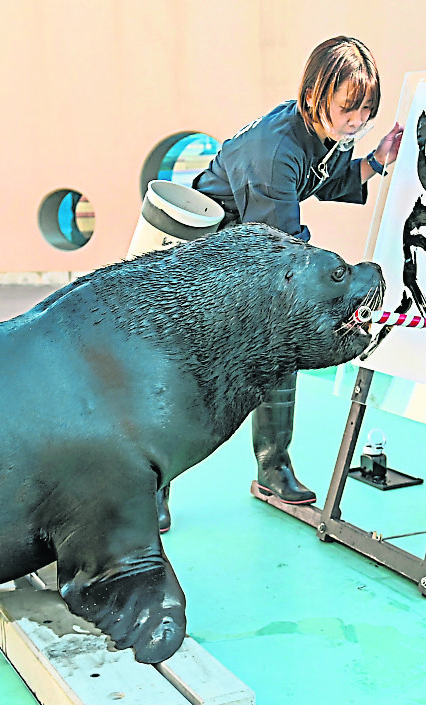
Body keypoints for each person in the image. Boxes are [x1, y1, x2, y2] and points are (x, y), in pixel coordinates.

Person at [155, 35, 405, 532]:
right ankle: (152, 487)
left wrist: (376, 160)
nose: (357, 120)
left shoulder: (322, 131)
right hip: (199, 263)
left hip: (248, 253)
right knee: (191, 376)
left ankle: (273, 466)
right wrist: (342, 285)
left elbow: (325, 180)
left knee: (280, 350)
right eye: (349, 109)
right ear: (315, 95)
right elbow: (284, 248)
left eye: (367, 109)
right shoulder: (272, 150)